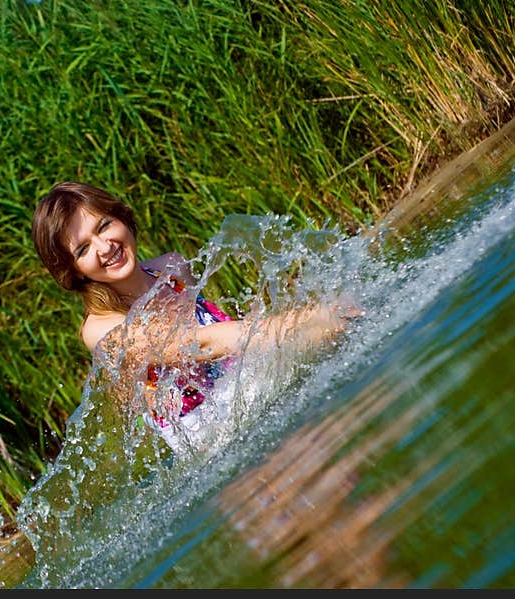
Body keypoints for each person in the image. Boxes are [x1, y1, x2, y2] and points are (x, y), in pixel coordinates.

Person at [31, 181, 353, 447]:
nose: (104, 247)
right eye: (83, 249)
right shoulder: (103, 330)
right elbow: (203, 343)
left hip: (247, 386)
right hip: (211, 434)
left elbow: (224, 338)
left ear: (122, 218)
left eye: (104, 226)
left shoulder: (170, 268)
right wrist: (307, 322)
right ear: (73, 270)